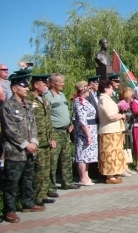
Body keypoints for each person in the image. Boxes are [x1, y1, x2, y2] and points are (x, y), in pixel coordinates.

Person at [0, 74, 45, 223]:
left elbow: (33, 125)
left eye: (27, 86)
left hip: (29, 151)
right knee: (11, 182)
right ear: (14, 88)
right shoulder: (8, 106)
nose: (26, 88)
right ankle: (9, 210)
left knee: (28, 179)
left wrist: (33, 142)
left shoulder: (27, 105)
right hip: (15, 152)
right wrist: (26, 145)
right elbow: (10, 130)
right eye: (23, 86)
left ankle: (27, 203)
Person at [44, 73, 80, 198]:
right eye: (61, 82)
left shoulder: (62, 95)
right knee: (53, 160)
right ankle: (51, 187)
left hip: (65, 131)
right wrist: (50, 136)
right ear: (53, 83)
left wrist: (70, 122)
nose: (63, 84)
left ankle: (67, 182)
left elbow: (65, 111)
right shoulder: (46, 96)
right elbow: (46, 116)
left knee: (66, 159)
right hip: (54, 131)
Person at [27, 74, 58, 205]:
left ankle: (43, 194)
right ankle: (36, 197)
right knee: (38, 170)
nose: (46, 86)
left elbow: (48, 120)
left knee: (46, 169)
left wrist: (51, 137)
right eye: (44, 84)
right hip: (36, 140)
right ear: (36, 85)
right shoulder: (28, 99)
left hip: (46, 140)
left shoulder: (43, 99)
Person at [97, 79, 126, 184]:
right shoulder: (104, 99)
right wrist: (121, 115)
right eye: (110, 87)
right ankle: (109, 176)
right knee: (110, 153)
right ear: (106, 88)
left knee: (115, 153)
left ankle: (114, 173)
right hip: (108, 131)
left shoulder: (107, 98)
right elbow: (111, 116)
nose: (112, 89)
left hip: (114, 130)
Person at [72, 81, 98, 186]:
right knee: (82, 154)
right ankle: (82, 178)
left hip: (91, 129)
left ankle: (86, 176)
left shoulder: (84, 100)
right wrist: (88, 134)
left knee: (87, 155)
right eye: (87, 90)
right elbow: (82, 120)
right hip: (83, 132)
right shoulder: (79, 101)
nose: (89, 92)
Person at [118, 86, 136, 177]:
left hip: (129, 129)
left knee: (128, 149)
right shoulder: (122, 104)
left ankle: (127, 167)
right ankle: (123, 168)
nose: (132, 95)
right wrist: (123, 133)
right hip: (124, 130)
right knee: (124, 149)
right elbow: (121, 118)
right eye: (130, 93)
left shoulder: (129, 104)